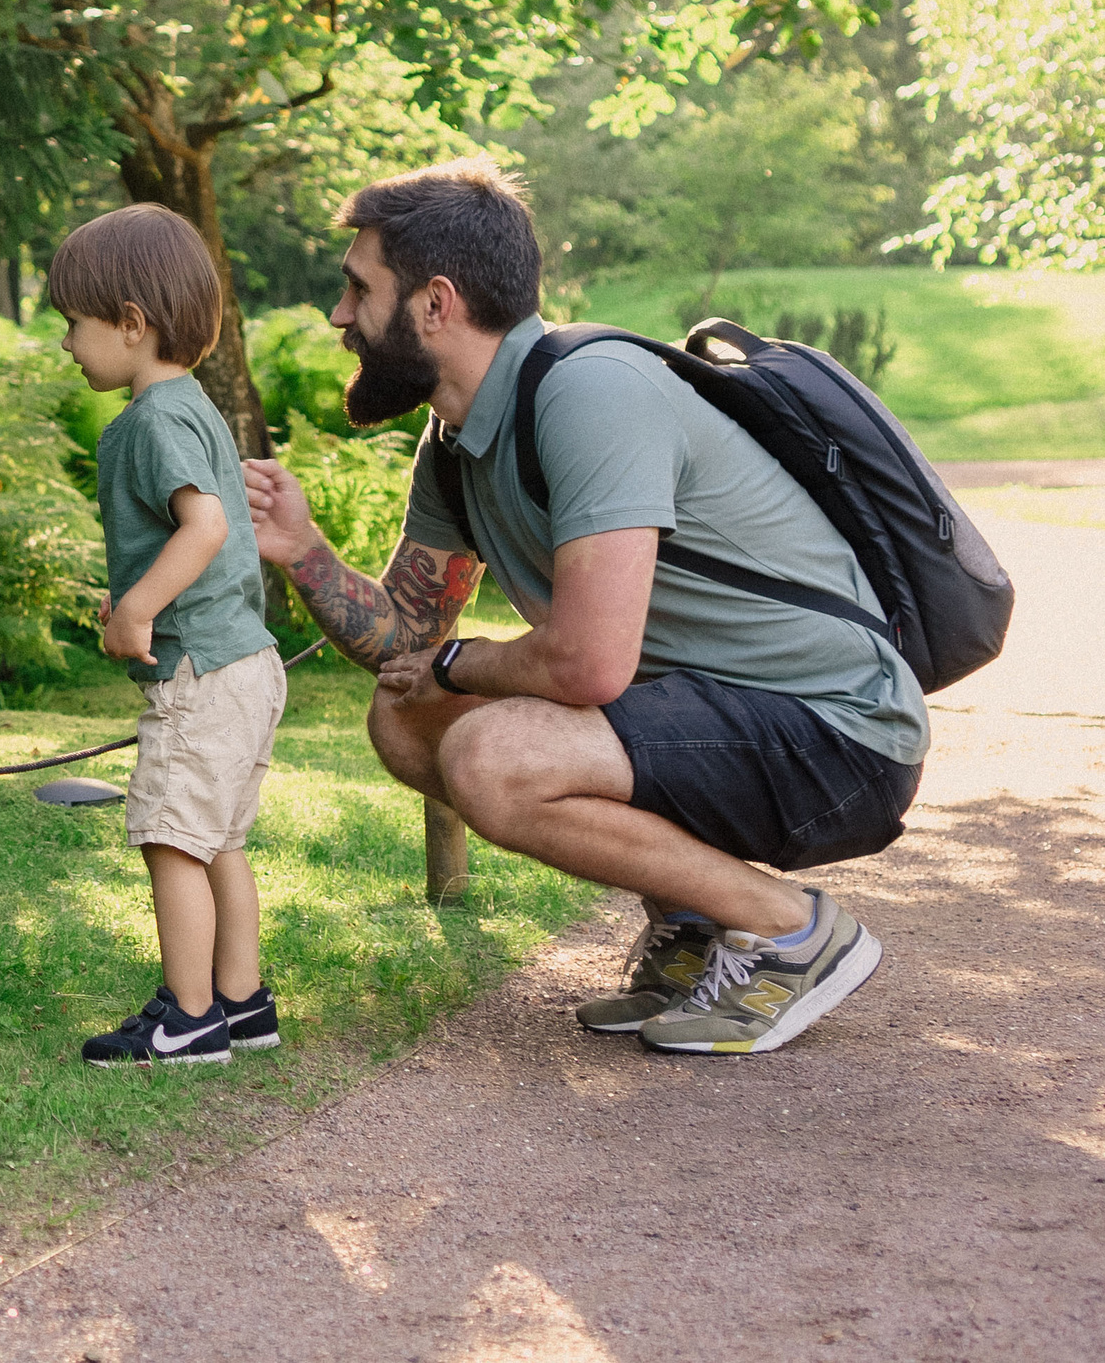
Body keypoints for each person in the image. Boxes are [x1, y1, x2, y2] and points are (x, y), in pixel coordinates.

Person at [241, 157, 919, 1055]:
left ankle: (793, 930)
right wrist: (304, 551)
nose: (339, 316)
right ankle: (693, 927)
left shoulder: (588, 392)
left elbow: (587, 664)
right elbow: (409, 642)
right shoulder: (457, 442)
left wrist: (460, 662)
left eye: (358, 289)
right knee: (413, 718)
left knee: (492, 749)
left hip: (838, 734)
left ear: (435, 303)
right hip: (713, 716)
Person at [50, 203, 288, 1067]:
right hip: (245, 663)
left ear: (130, 323)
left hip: (202, 673)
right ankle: (241, 1002)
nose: (68, 344)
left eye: (74, 324)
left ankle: (187, 1022)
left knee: (171, 839)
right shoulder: (192, 406)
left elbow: (205, 526)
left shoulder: (152, 421)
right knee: (219, 840)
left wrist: (135, 609)